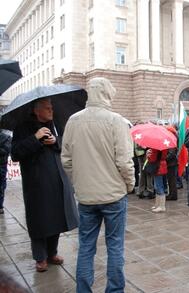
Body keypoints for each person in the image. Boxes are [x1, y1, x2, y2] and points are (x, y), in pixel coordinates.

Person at [61, 77, 135, 292]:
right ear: (107, 94)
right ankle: (114, 290)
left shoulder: (73, 121)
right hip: (113, 195)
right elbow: (124, 161)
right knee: (115, 246)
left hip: (86, 197)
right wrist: (129, 184)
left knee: (86, 247)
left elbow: (66, 159)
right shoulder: (116, 121)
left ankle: (83, 289)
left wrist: (79, 181)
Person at [11, 98, 79, 272]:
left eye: (51, 108)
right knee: (40, 218)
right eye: (47, 108)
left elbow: (67, 144)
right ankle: (40, 257)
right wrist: (36, 138)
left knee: (56, 216)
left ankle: (52, 253)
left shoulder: (55, 124)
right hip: (37, 181)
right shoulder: (23, 127)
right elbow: (16, 153)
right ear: (36, 110)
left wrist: (55, 141)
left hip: (57, 179)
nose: (51, 111)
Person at [147, 148, 168, 213]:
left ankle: (161, 206)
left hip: (157, 167)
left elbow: (153, 159)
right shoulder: (164, 146)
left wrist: (148, 155)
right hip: (162, 165)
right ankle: (158, 204)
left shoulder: (155, 147)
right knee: (159, 186)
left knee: (159, 187)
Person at [165, 126, 178, 201]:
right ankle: (172, 194)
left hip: (171, 163)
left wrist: (164, 159)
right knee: (171, 180)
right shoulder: (172, 139)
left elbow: (171, 153)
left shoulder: (172, 140)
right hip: (172, 163)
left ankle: (173, 195)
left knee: (172, 180)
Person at [0, 130, 11, 214]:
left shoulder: (6, 137)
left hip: (2, 165)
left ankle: (0, 206)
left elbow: (8, 150)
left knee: (1, 186)